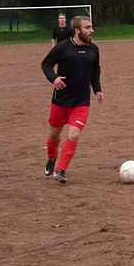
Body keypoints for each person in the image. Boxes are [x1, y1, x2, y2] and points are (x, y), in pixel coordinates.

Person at [41, 16, 104, 184]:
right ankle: (52, 158)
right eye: (88, 27)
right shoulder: (63, 47)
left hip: (81, 102)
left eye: (92, 27)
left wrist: (97, 89)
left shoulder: (94, 49)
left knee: (74, 134)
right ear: (77, 30)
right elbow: (46, 64)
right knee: (54, 135)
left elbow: (95, 71)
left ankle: (61, 170)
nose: (92, 30)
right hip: (61, 100)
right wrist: (53, 78)